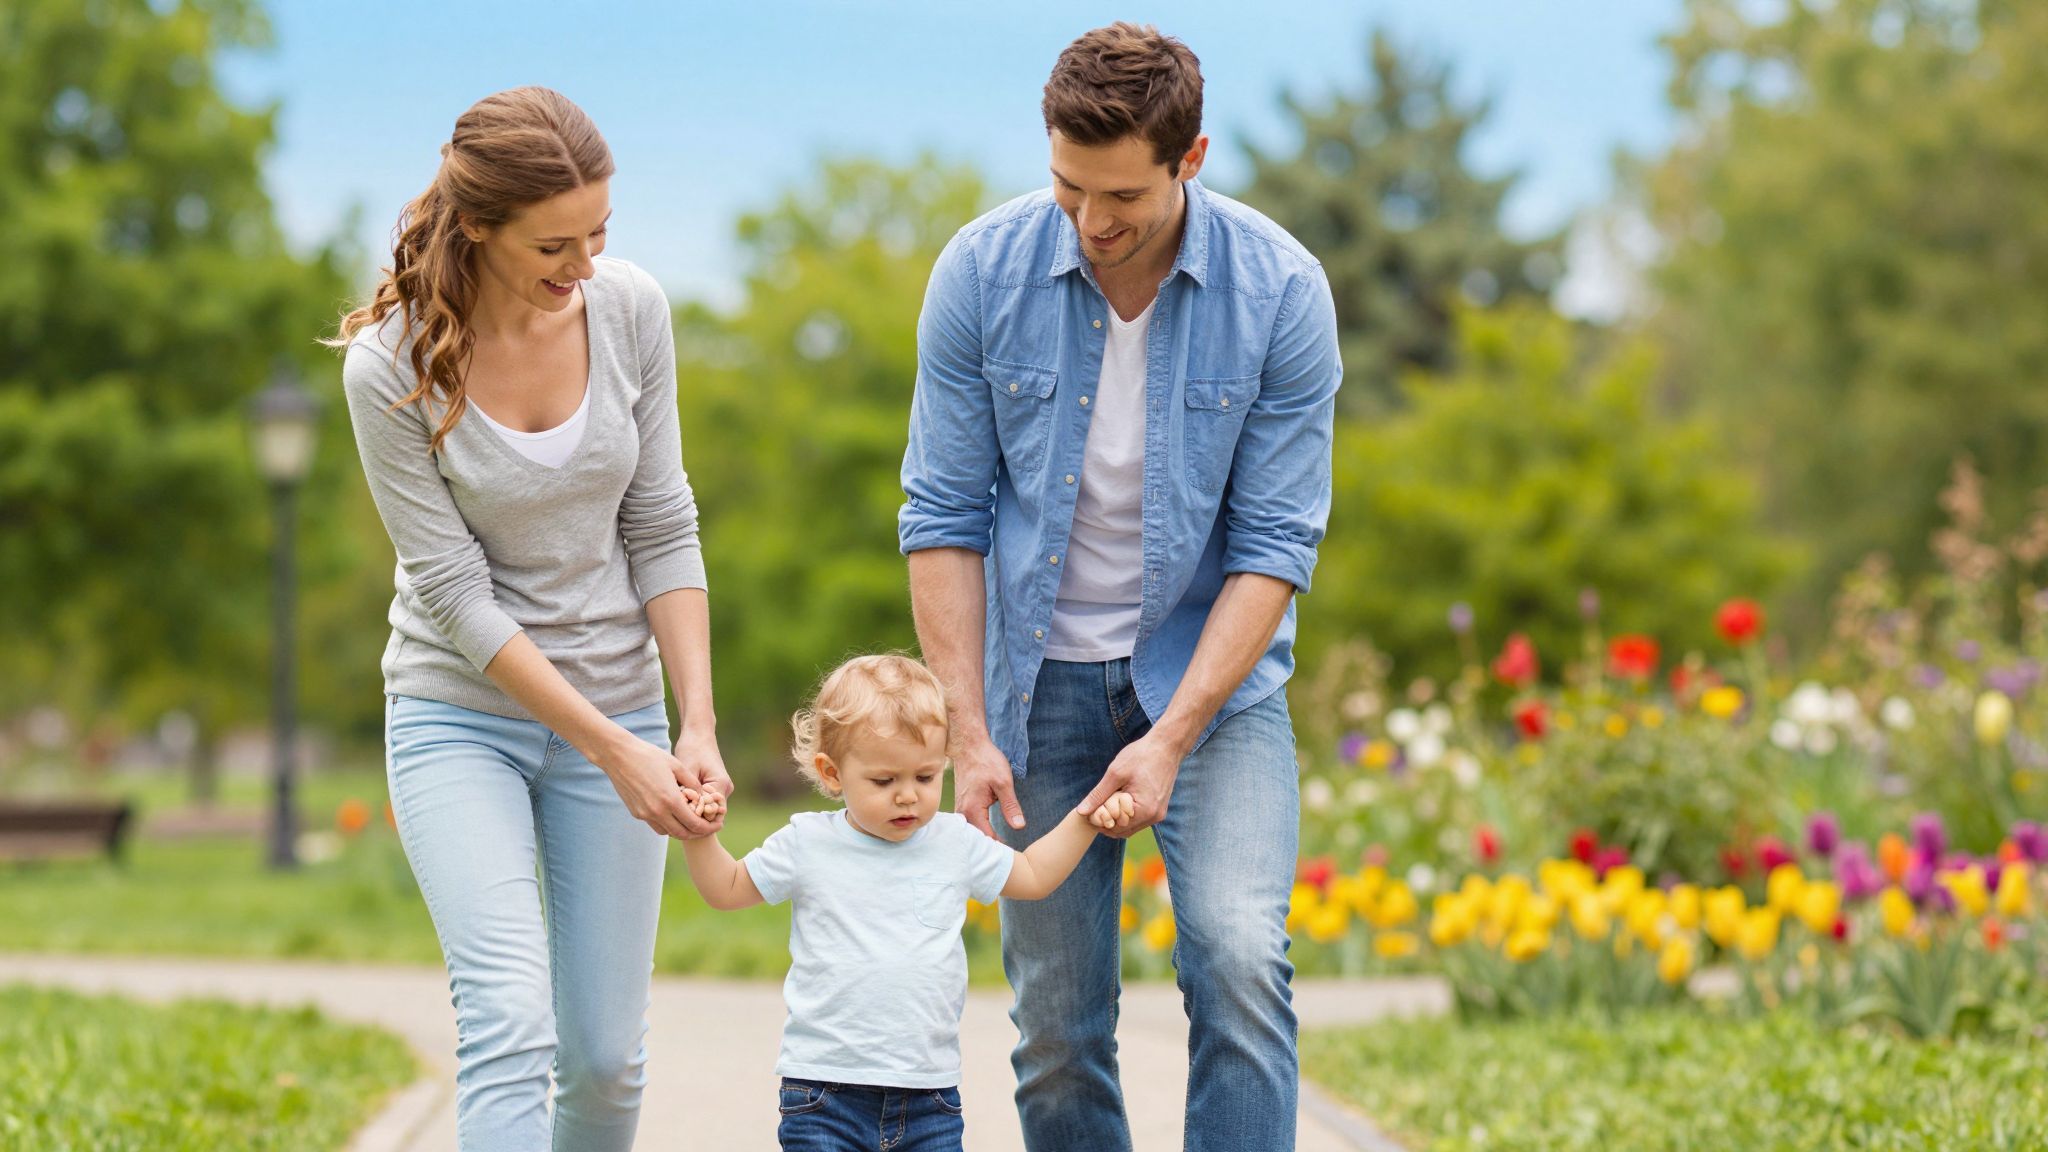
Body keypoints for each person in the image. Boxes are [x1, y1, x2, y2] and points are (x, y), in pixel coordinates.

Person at [896, 23, 1342, 1152]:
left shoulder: (1281, 293)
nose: (1091, 221)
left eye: (1120, 196)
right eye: (1066, 186)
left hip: (1211, 686)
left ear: (1190, 159)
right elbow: (942, 518)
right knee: (1054, 1025)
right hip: (1033, 683)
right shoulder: (980, 274)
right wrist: (966, 725)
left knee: (1238, 960)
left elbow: (1273, 545)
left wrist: (1174, 733)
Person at [334, 87, 725, 1152]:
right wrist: (615, 752)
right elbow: (455, 595)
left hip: (621, 701)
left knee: (603, 1060)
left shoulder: (631, 309)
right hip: (460, 714)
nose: (585, 264)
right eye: (556, 244)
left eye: (601, 231)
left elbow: (662, 519)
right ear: (478, 228)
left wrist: (690, 724)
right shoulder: (391, 366)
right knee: (509, 1018)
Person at [678, 653, 1134, 1152]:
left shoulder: (953, 841)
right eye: (884, 781)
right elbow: (725, 889)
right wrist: (700, 833)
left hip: (929, 1100)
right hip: (823, 1094)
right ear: (832, 774)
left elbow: (1034, 875)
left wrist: (1088, 817)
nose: (908, 796)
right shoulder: (807, 843)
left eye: (925, 777)